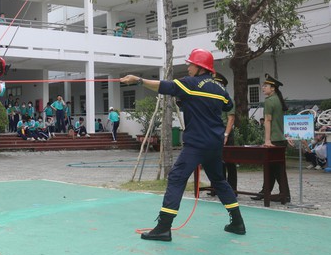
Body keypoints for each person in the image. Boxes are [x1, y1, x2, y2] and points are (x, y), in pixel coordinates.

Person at [120, 48, 245, 241]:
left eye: (190, 64)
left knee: (177, 177)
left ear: (200, 66)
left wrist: (138, 80)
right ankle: (237, 222)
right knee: (219, 181)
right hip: (215, 144)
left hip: (196, 144)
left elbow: (163, 86)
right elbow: (227, 106)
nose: (188, 67)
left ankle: (163, 227)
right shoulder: (220, 88)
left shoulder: (190, 84)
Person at [252, 74, 291, 202]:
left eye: (266, 86)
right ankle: (267, 192)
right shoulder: (278, 100)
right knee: (273, 168)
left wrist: (267, 140)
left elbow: (267, 121)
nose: (263, 88)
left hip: (274, 139)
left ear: (273, 88)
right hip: (281, 139)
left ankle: (284, 194)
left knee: (276, 169)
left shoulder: (269, 101)